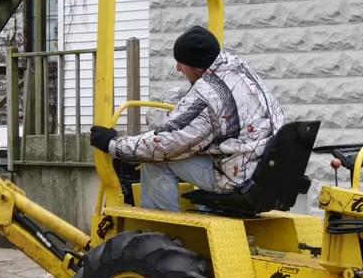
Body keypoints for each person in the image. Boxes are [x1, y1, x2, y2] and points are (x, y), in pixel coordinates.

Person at [89, 25, 284, 212]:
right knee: (189, 152)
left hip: (238, 176)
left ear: (199, 68)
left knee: (156, 160)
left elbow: (165, 144)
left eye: (181, 62)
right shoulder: (238, 69)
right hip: (262, 171)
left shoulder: (208, 96)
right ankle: (204, 210)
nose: (177, 68)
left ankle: (162, 232)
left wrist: (114, 144)